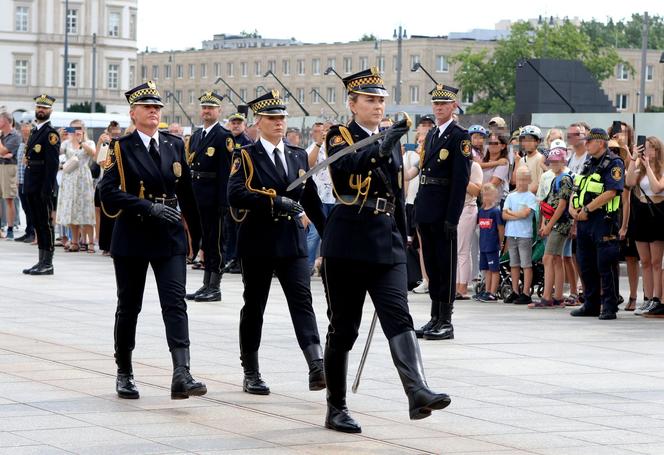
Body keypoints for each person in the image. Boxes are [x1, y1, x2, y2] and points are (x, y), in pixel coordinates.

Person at [321, 68, 450, 434]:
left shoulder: (389, 138)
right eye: (370, 100)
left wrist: (405, 236)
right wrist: (386, 140)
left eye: (381, 100)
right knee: (344, 329)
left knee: (398, 314)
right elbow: (348, 169)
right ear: (353, 104)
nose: (378, 106)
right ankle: (336, 407)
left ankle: (417, 391)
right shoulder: (339, 135)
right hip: (348, 240)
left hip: (386, 239)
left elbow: (395, 192)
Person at [98, 81, 206, 399]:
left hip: (169, 234)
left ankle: (181, 373)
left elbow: (187, 192)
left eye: (157, 107)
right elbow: (108, 191)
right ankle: (124, 372)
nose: (154, 112)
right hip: (133, 234)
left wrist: (199, 236)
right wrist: (147, 206)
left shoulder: (174, 145)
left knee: (175, 303)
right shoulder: (119, 147)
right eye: (148, 107)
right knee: (129, 306)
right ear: (133, 113)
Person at [227, 90, 327, 396]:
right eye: (272, 118)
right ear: (258, 121)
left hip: (292, 242)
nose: (279, 123)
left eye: (282, 117)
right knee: (255, 305)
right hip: (258, 240)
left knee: (302, 302)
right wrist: (275, 202)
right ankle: (251, 369)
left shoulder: (297, 155)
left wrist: (330, 233)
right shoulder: (244, 155)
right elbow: (235, 194)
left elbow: (309, 198)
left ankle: (316, 364)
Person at [413, 84, 471, 341]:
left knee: (446, 266)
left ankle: (446, 320)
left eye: (443, 104)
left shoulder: (460, 136)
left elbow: (460, 181)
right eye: (435, 104)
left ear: (453, 106)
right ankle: (435, 316)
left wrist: (452, 217)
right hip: (427, 206)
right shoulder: (434, 133)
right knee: (434, 267)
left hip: (444, 209)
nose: (438, 108)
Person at [184, 91, 234, 302]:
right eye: (204, 108)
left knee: (216, 243)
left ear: (219, 111)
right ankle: (206, 284)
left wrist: (224, 201)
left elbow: (226, 172)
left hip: (215, 198)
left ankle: (215, 286)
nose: (206, 111)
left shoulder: (224, 136)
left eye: (211, 108)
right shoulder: (196, 136)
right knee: (205, 242)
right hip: (198, 197)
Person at [568, 128, 624, 320]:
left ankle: (609, 306)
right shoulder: (588, 162)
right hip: (584, 222)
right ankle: (591, 304)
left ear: (600, 143)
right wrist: (572, 209)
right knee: (586, 264)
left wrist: (587, 210)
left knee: (605, 264)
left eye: (589, 141)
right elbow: (577, 188)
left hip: (603, 221)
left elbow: (612, 191)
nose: (586, 144)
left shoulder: (614, 163)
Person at [21, 94, 60, 275]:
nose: (41, 110)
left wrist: (48, 188)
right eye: (38, 107)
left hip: (42, 186)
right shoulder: (36, 131)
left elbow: (51, 165)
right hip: (31, 183)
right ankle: (40, 261)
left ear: (50, 111)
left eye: (44, 108)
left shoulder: (51, 134)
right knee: (37, 222)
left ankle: (48, 263)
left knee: (45, 223)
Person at [530, 146, 573, 308]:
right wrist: (545, 223)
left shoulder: (565, 179)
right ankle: (558, 296)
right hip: (555, 222)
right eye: (551, 161)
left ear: (564, 161)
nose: (553, 164)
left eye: (557, 161)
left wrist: (550, 225)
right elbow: (549, 203)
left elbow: (562, 205)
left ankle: (547, 297)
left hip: (560, 224)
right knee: (556, 259)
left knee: (548, 258)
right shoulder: (556, 178)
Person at [626, 136, 664, 316]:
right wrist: (634, 159)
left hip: (657, 212)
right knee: (645, 261)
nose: (647, 151)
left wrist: (648, 166)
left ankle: (657, 298)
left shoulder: (662, 168)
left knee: (657, 262)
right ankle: (647, 298)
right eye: (645, 148)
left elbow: (657, 188)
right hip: (641, 212)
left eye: (650, 148)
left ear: (657, 150)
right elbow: (629, 182)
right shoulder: (640, 167)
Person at [55, 119, 97, 253]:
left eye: (78, 128)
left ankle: (90, 242)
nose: (75, 131)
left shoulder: (88, 142)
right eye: (73, 128)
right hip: (69, 178)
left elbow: (93, 154)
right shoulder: (66, 143)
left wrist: (81, 141)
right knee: (72, 210)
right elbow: (57, 152)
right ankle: (74, 241)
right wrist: (59, 138)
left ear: (83, 129)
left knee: (86, 208)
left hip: (83, 177)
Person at [502, 167, 539, 305]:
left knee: (526, 264)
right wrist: (517, 214)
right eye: (519, 179)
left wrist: (512, 213)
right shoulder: (511, 196)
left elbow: (526, 214)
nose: (522, 182)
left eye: (524, 179)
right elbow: (504, 215)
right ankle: (515, 291)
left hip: (524, 235)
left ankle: (526, 292)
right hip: (511, 234)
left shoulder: (531, 197)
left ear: (529, 180)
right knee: (514, 264)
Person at [223, 105, 252, 274]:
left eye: (239, 123)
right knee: (229, 228)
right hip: (228, 189)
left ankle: (237, 259)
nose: (235, 125)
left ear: (244, 125)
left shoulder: (246, 143)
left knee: (239, 227)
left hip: (240, 189)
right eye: (233, 122)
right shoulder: (227, 141)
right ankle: (231, 258)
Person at [305, 121, 335, 274]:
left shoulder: (338, 145)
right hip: (320, 197)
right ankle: (307, 267)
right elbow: (308, 164)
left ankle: (329, 266)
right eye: (323, 130)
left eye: (329, 130)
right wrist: (318, 144)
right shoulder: (314, 146)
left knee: (333, 234)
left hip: (336, 198)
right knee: (314, 234)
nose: (326, 132)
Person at [456, 158, 482, 299]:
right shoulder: (451, 164)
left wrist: (461, 176)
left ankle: (462, 288)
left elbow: (477, 191)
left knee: (463, 250)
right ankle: (455, 286)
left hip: (467, 208)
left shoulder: (473, 166)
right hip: (452, 210)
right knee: (455, 251)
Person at [476, 183, 504, 302]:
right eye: (484, 195)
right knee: (486, 269)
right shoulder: (481, 211)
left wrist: (501, 242)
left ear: (494, 196)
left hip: (492, 245)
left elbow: (500, 228)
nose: (486, 197)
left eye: (489, 195)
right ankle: (487, 291)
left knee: (494, 269)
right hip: (483, 246)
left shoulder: (495, 212)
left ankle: (493, 292)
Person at [0, 111, 20, 240]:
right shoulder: (2, 136)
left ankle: (11, 229)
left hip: (8, 168)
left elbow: (3, 151)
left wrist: (3, 152)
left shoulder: (15, 135)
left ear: (6, 121)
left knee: (8, 199)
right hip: (1, 164)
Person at [14, 123, 34, 243]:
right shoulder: (22, 144)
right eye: (23, 131)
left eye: (27, 131)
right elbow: (19, 163)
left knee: (30, 207)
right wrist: (17, 179)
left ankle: (32, 232)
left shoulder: (32, 144)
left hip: (29, 180)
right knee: (25, 208)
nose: (24, 133)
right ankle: (28, 231)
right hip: (21, 180)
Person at [515, 125, 546, 194]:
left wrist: (524, 195)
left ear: (538, 141)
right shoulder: (522, 160)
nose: (527, 143)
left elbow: (539, 183)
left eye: (530, 140)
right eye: (524, 140)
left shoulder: (540, 158)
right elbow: (518, 183)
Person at [481, 133, 510, 205]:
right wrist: (496, 162)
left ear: (503, 146)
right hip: (480, 200)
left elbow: (492, 184)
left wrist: (474, 190)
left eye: (495, 143)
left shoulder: (504, 162)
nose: (492, 145)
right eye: (490, 142)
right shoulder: (483, 159)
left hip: (493, 204)